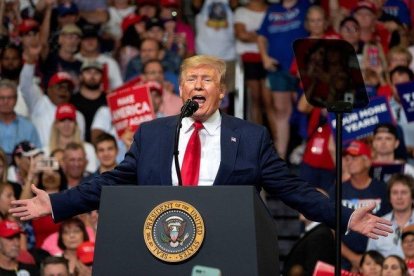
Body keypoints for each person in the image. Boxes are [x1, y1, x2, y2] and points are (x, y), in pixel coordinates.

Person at [9, 55, 392, 243]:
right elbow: (111, 182)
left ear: (221, 92)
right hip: (161, 243)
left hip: (225, 245)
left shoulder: (251, 136)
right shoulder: (154, 134)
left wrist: (343, 215)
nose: (198, 84)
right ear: (180, 90)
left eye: (207, 79)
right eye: (190, 78)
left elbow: (292, 191)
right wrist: (58, 203)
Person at [366, 174, 414, 258]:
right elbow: (371, 259)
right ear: (389, 198)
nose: (399, 197)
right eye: (395, 193)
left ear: (412, 197)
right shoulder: (378, 225)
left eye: (404, 192)